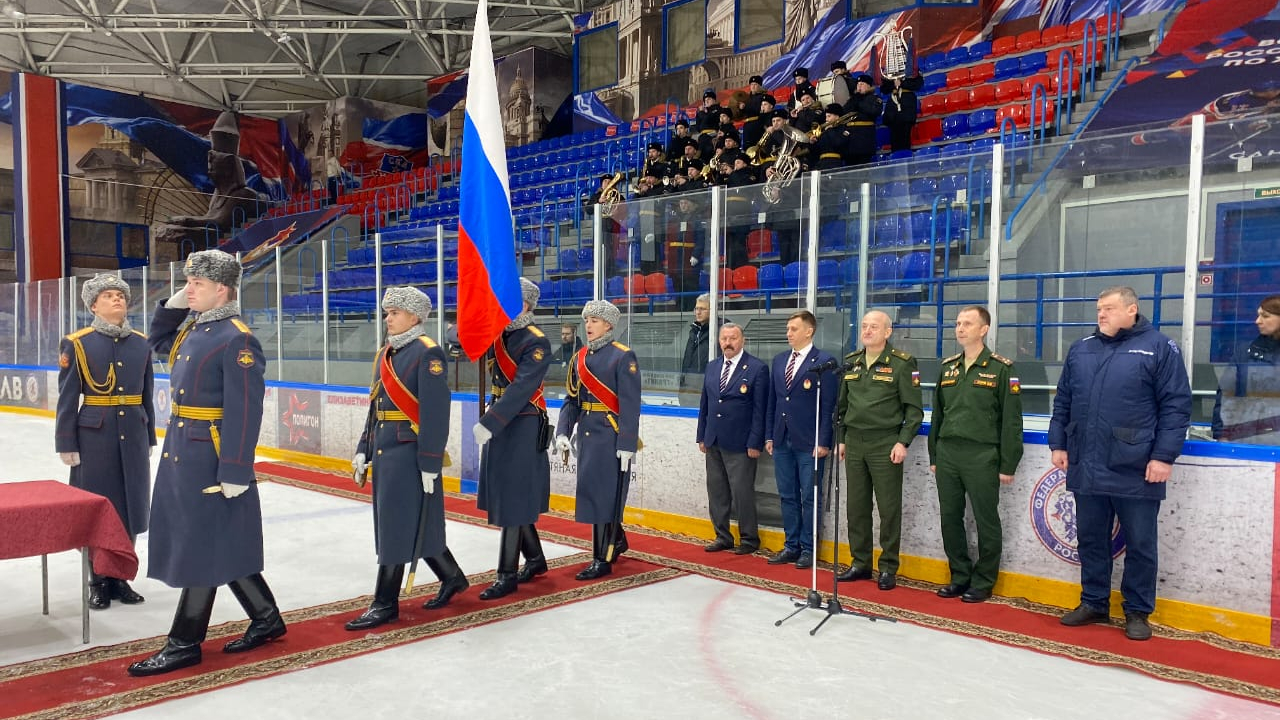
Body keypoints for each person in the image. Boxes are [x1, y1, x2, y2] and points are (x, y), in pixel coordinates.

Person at [129, 250, 284, 676]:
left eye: (197, 284)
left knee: (201, 545)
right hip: (184, 448)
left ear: (222, 289)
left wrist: (235, 469)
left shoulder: (237, 339)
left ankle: (184, 643)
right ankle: (266, 617)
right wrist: (176, 303)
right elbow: (156, 341)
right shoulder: (196, 329)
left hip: (211, 457)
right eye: (188, 283)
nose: (189, 290)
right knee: (219, 538)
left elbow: (245, 410)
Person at [1049, 286, 1191, 641]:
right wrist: (1058, 443)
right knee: (1091, 538)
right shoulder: (1082, 349)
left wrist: (1163, 456)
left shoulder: (1159, 347)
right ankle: (1094, 601)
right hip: (1087, 462)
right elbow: (1063, 400)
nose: (1102, 314)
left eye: (1109, 308)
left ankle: (1137, 611)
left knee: (1140, 543)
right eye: (1099, 308)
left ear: (1132, 310)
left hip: (1136, 465)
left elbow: (1176, 406)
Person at [345, 287, 466, 630]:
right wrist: (363, 448)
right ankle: (452, 576)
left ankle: (385, 602)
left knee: (396, 527)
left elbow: (436, 414)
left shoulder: (428, 353)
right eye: (387, 313)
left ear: (414, 317)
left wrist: (430, 462)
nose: (388, 318)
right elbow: (375, 408)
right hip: (386, 452)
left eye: (395, 313)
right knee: (408, 522)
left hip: (409, 454)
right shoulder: (385, 354)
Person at [55, 273, 155, 611]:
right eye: (108, 295)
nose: (117, 299)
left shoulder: (141, 343)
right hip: (94, 439)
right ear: (94, 306)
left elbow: (146, 394)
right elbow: (67, 397)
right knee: (98, 510)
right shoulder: (77, 343)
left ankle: (120, 577)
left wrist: (149, 434)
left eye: (121, 295)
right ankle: (97, 581)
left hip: (134, 436)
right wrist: (66, 442)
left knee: (130, 507)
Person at [927, 306, 1024, 603]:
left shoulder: (1001, 369)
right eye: (958, 323)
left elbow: (1011, 421)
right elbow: (938, 414)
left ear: (984, 329)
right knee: (950, 517)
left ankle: (983, 581)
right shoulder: (948, 367)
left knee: (986, 520)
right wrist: (934, 456)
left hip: (982, 455)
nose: (960, 328)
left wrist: (1008, 463)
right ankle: (959, 575)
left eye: (967, 324)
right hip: (948, 453)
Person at [473, 279, 553, 599]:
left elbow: (521, 389)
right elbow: (464, 345)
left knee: (514, 497)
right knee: (508, 493)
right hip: (500, 420)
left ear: (525, 304)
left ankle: (506, 574)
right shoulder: (498, 334)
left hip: (522, 423)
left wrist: (490, 422)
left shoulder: (536, 341)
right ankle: (534, 558)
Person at [835, 310, 923, 591]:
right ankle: (860, 562)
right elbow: (842, 406)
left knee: (888, 508)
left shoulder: (902, 364)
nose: (867, 330)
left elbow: (914, 410)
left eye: (874, 326)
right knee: (856, 507)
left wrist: (902, 442)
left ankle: (887, 567)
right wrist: (842, 439)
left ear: (888, 332)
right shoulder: (852, 362)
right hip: (855, 442)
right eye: (864, 326)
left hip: (885, 443)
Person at [555, 300, 641, 580]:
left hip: (609, 436)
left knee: (604, 496)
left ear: (608, 325)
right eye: (586, 320)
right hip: (587, 435)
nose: (588, 325)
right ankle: (617, 540)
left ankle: (601, 559)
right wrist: (563, 431)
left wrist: (627, 444)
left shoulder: (622, 356)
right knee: (594, 493)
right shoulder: (579, 357)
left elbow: (630, 405)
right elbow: (572, 400)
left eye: (594, 320)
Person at [765, 310, 838, 569]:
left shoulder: (824, 362)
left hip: (809, 442)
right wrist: (769, 435)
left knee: (809, 496)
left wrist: (824, 441)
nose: (789, 333)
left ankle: (809, 548)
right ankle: (791, 545)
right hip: (782, 438)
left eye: (793, 329)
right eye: (787, 329)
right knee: (787, 495)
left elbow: (828, 405)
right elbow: (773, 401)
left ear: (809, 331)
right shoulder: (779, 360)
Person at [697, 322, 767, 555]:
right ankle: (722, 536)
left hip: (741, 443)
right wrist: (702, 436)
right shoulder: (712, 366)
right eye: (724, 339)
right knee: (716, 491)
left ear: (742, 340)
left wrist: (755, 442)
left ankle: (749, 539)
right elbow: (705, 404)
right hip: (714, 440)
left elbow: (760, 410)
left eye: (733, 338)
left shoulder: (756, 368)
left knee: (742, 493)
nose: (728, 343)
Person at [1212, 294, 1280, 442]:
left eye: (1265, 316)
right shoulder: (1244, 352)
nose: (1258, 321)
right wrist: (1222, 434)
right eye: (1258, 315)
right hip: (1245, 441)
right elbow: (1226, 395)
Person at [844, 74, 884, 166]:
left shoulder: (875, 98)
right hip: (851, 140)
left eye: (862, 84)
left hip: (864, 138)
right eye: (858, 84)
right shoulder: (853, 99)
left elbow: (874, 111)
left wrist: (859, 102)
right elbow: (844, 112)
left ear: (869, 86)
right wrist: (854, 99)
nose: (859, 86)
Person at [880, 74, 924, 152]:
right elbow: (884, 89)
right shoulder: (889, 71)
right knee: (894, 142)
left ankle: (905, 157)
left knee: (904, 140)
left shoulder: (912, 70)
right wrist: (892, 83)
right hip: (893, 111)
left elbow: (918, 84)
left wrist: (901, 83)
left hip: (906, 108)